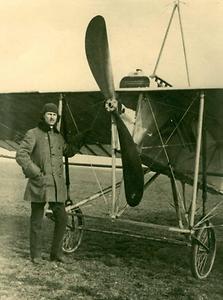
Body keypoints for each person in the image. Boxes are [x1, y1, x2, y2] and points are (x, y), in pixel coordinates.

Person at [16, 102, 86, 264]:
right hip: (39, 184)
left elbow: (67, 151)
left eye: (54, 115)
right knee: (36, 221)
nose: (52, 117)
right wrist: (35, 173)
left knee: (62, 218)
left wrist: (80, 139)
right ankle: (36, 255)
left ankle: (56, 254)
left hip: (56, 187)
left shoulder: (58, 136)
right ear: (43, 116)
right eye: (49, 114)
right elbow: (21, 154)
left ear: (57, 117)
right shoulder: (33, 134)